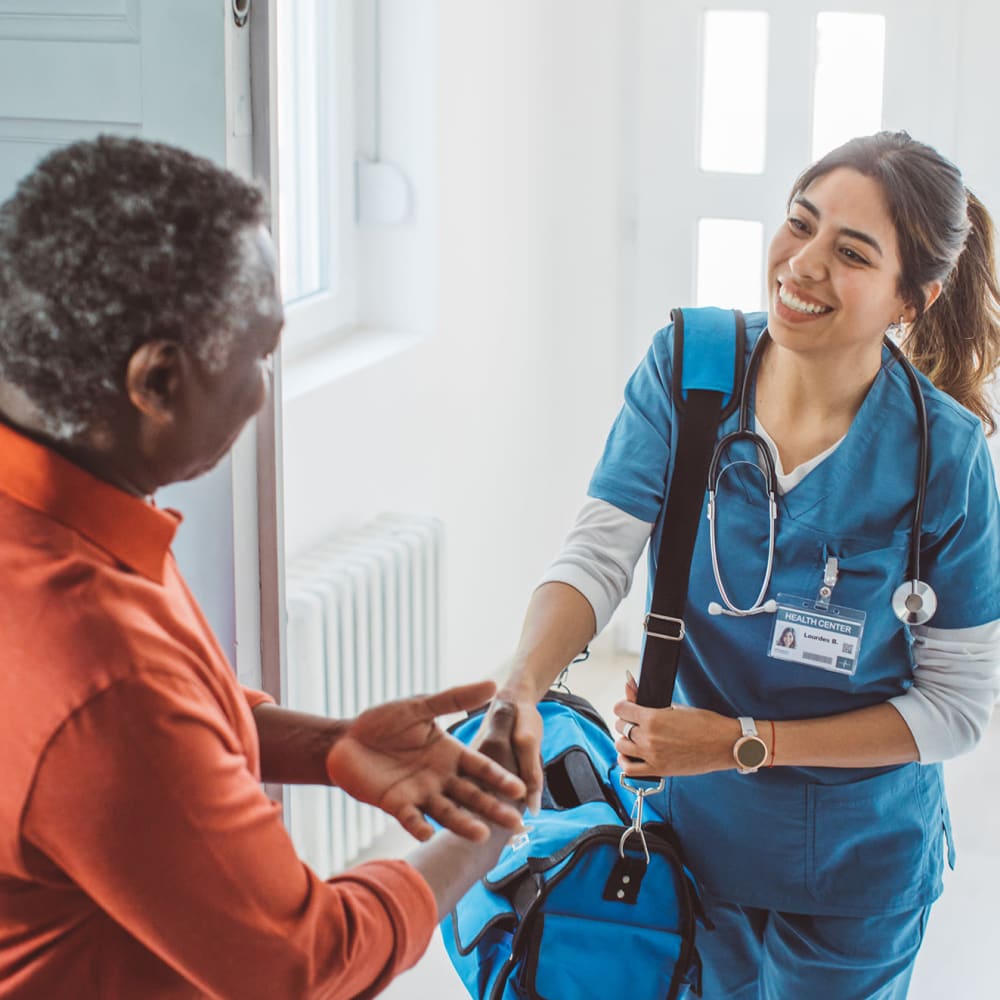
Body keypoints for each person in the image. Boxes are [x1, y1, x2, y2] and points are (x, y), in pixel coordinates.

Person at [0, 136, 527, 1000]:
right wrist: (482, 833)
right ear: (159, 380)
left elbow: (161, 731)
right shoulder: (97, 671)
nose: (260, 389)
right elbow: (302, 964)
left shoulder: (64, 519)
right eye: (259, 354)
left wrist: (330, 745)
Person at [481, 132, 1000, 999]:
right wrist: (518, 690)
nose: (801, 265)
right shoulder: (692, 371)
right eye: (799, 224)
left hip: (859, 862)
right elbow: (597, 557)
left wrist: (741, 744)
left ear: (914, 297)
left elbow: (959, 707)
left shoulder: (944, 456)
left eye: (851, 252)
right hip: (696, 841)